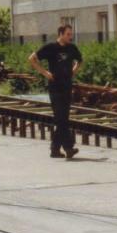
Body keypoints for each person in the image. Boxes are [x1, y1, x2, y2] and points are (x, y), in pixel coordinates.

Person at [29, 25, 83, 159]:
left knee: (63, 119)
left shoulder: (72, 48)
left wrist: (73, 72)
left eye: (71, 34)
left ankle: (55, 150)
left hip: (67, 86)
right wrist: (45, 73)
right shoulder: (51, 47)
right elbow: (32, 59)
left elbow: (80, 61)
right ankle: (68, 147)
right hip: (55, 87)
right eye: (68, 34)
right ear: (61, 34)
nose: (70, 37)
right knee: (60, 118)